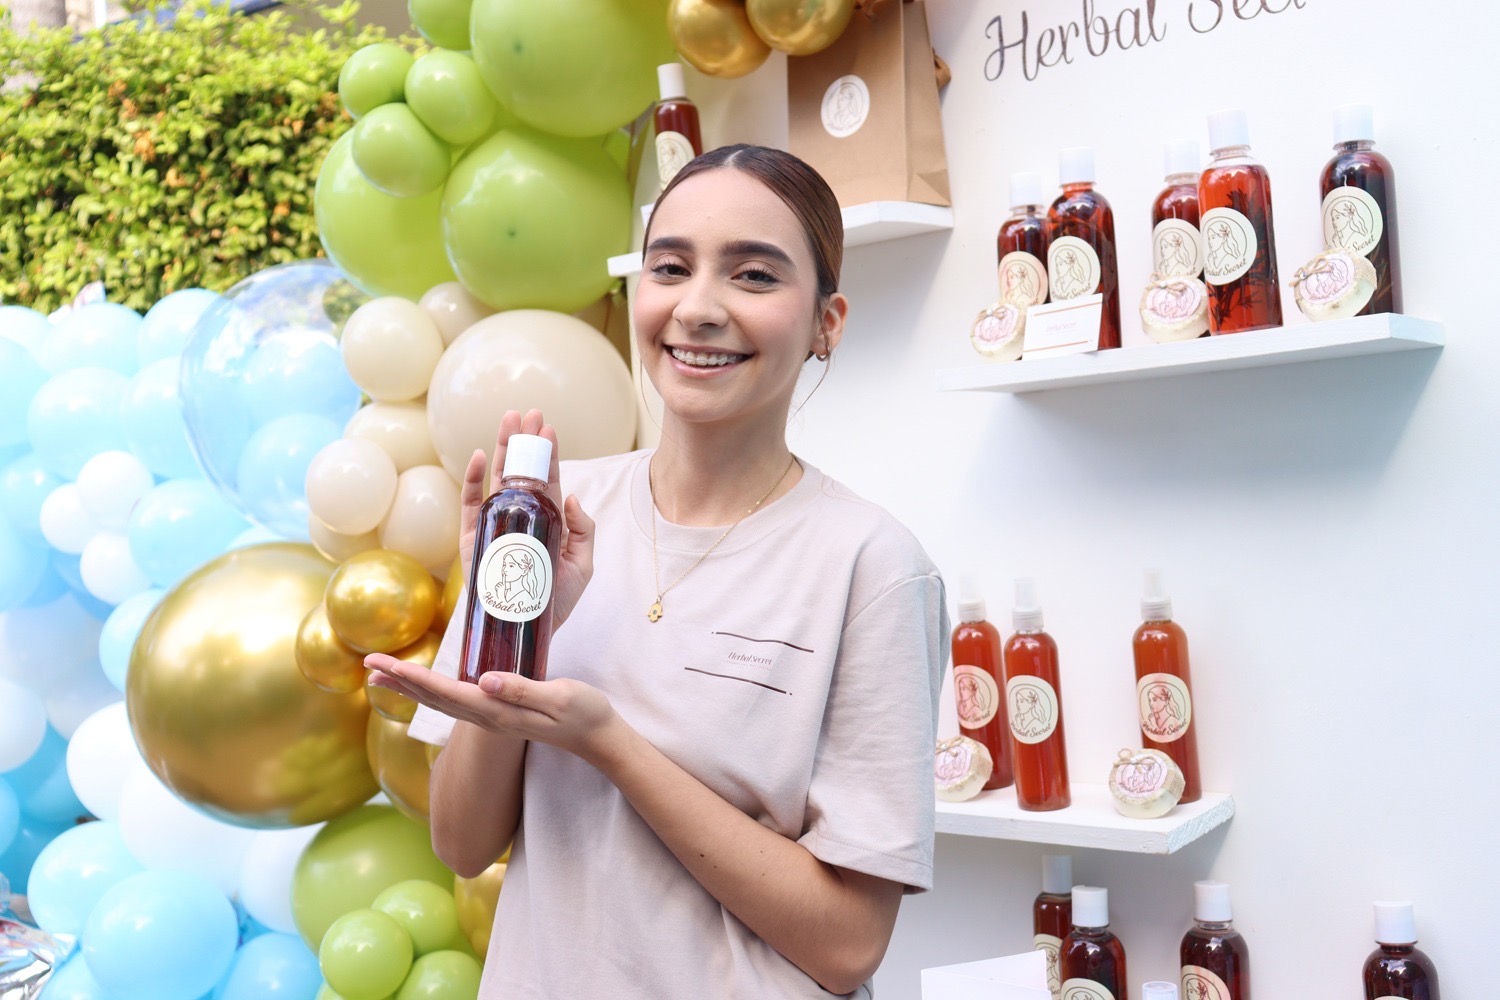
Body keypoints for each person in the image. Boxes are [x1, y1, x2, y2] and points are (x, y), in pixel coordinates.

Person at [364, 144, 947, 999]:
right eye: (670, 268)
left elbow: (848, 944)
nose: (698, 308)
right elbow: (462, 843)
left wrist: (610, 746)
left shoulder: (872, 566)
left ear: (828, 322)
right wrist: (517, 645)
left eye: (754, 276)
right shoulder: (549, 519)